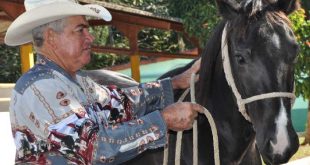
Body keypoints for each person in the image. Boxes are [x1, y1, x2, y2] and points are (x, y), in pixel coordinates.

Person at [5, 0, 203, 164]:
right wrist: (164, 120)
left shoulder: (79, 82)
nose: (90, 37)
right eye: (80, 30)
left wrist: (175, 83)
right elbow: (93, 147)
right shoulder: (39, 87)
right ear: (51, 37)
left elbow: (121, 103)